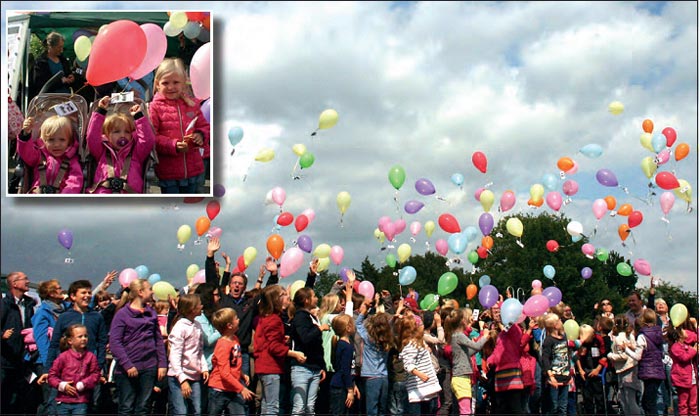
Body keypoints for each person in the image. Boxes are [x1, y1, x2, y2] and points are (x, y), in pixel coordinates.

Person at [42, 279, 108, 414]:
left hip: (88, 370)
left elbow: (101, 343)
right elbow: (54, 344)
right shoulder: (65, 316)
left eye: (89, 293)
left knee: (88, 406)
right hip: (66, 370)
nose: (87, 296)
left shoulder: (96, 317)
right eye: (83, 292)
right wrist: (48, 369)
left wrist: (100, 367)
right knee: (56, 406)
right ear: (73, 296)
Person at [148, 57, 209, 194]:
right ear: (157, 84)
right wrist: (173, 145)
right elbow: (152, 136)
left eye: (176, 82)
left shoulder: (192, 105)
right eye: (165, 83)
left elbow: (205, 126)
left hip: (193, 169)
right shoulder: (155, 107)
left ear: (183, 83)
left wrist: (200, 135)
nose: (171, 87)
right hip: (168, 171)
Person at [109, 279, 168, 416]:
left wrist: (162, 363)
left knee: (144, 406)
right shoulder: (122, 315)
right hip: (128, 369)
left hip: (149, 366)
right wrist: (127, 365)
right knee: (126, 406)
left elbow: (158, 339)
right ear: (141, 292)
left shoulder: (151, 313)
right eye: (149, 288)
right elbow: (115, 342)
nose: (152, 291)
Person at [85, 96, 156, 194]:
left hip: (130, 199)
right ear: (106, 135)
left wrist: (138, 117)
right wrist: (100, 111)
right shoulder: (101, 152)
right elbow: (92, 137)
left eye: (127, 132)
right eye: (116, 132)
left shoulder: (136, 153)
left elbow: (147, 140)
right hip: (103, 198)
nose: (123, 135)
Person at [254, 284, 307, 416]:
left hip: (262, 366)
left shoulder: (265, 318)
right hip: (270, 367)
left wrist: (282, 340)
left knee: (266, 405)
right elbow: (273, 347)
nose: (287, 296)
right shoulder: (274, 320)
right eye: (283, 295)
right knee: (272, 407)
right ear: (275, 300)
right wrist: (294, 353)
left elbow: (265, 342)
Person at [17, 114, 83, 193]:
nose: (56, 144)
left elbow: (75, 180)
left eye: (62, 140)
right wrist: (25, 134)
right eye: (51, 140)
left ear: (69, 141)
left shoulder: (72, 160)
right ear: (43, 141)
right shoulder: (39, 155)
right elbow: (26, 153)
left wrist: (66, 195)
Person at [1, 271, 37, 415]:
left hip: (22, 359)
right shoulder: (4, 305)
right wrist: (2, 335)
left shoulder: (28, 305)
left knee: (19, 398)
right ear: (14, 284)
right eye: (24, 279)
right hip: (5, 359)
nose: (28, 281)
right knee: (4, 397)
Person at [208, 308, 256, 415]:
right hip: (219, 389)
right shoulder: (223, 345)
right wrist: (241, 388)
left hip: (233, 388)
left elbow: (234, 363)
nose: (239, 320)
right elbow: (224, 373)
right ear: (229, 325)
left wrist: (242, 374)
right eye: (236, 318)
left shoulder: (235, 339)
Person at [168, 293, 209, 416]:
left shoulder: (197, 325)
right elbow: (175, 355)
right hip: (178, 376)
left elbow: (199, 351)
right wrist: (182, 379)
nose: (202, 306)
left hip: (194, 376)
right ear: (192, 309)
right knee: (181, 411)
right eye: (199, 305)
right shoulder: (180, 327)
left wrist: (204, 367)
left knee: (197, 410)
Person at [32, 279, 68, 416]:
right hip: (48, 362)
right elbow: (42, 340)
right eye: (58, 288)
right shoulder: (43, 312)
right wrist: (50, 365)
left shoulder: (64, 308)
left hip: (62, 359)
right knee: (50, 399)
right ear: (51, 293)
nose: (61, 290)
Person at [289, 286, 327, 415]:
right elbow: (305, 337)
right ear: (306, 300)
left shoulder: (311, 316)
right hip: (302, 368)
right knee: (299, 407)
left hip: (314, 367)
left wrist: (321, 366)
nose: (316, 298)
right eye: (314, 296)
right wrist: (319, 329)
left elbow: (317, 346)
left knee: (310, 407)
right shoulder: (300, 316)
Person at [48, 324, 101, 415]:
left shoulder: (90, 357)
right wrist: (62, 385)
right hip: (63, 401)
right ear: (70, 341)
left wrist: (84, 384)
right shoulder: (63, 357)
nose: (84, 339)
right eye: (80, 336)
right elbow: (52, 376)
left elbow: (95, 375)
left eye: (85, 336)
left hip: (81, 400)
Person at [444, 307, 488, 415]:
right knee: (466, 412)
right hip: (461, 378)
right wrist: (485, 336)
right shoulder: (459, 335)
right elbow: (477, 346)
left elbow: (469, 353)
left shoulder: (456, 336)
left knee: (465, 410)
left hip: (462, 377)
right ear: (463, 321)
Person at [396, 310, 442, 416]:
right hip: (418, 391)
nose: (423, 326)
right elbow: (408, 365)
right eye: (421, 324)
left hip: (427, 390)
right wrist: (420, 375)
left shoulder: (419, 343)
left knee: (432, 409)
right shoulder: (411, 345)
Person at [356, 298, 393, 416]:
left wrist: (363, 311)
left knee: (371, 409)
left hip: (371, 377)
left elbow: (358, 324)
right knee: (382, 409)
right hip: (384, 377)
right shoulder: (388, 340)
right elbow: (390, 327)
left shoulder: (368, 338)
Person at [625, 308, 666, 415]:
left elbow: (638, 356)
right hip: (658, 371)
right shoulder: (658, 334)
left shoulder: (642, 336)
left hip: (648, 371)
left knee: (648, 403)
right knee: (650, 401)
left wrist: (626, 349)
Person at [607, 314, 643, 416]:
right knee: (623, 398)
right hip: (629, 368)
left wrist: (610, 355)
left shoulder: (618, 339)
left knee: (629, 399)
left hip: (626, 369)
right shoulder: (631, 336)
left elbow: (623, 356)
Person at [541, 313, 573, 416]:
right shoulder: (549, 340)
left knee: (563, 406)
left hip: (565, 375)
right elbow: (545, 358)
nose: (561, 322)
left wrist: (570, 373)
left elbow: (568, 355)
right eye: (559, 320)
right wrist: (550, 376)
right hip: (554, 376)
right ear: (555, 325)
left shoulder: (564, 337)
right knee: (553, 406)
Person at [30, 31, 75, 100]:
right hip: (49, 100)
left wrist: (71, 77)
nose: (61, 50)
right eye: (59, 47)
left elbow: (68, 73)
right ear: (50, 46)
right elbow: (40, 84)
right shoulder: (40, 63)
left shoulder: (63, 60)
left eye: (62, 47)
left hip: (66, 98)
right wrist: (61, 81)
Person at [667, 321, 699, 416]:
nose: (686, 332)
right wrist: (693, 350)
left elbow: (694, 336)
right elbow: (684, 357)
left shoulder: (686, 346)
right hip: (682, 380)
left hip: (692, 379)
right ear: (680, 335)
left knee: (693, 404)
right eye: (683, 331)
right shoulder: (675, 347)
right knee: (683, 405)